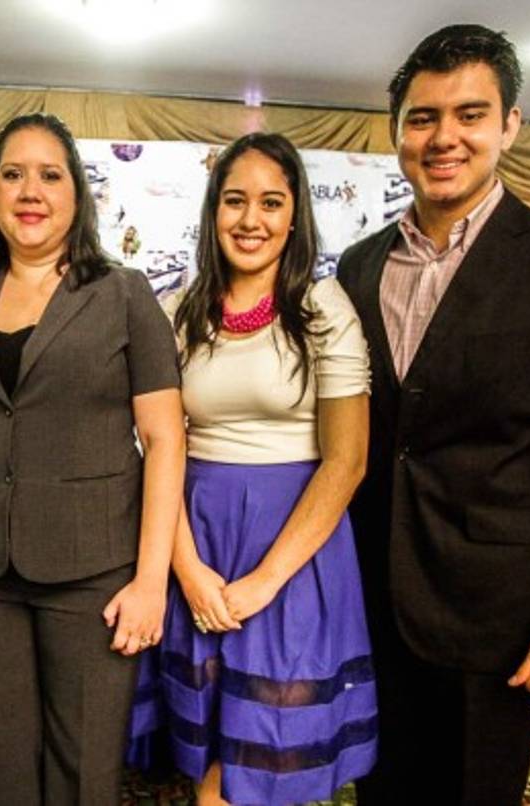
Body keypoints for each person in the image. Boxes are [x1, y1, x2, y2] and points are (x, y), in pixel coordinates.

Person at [335, 25, 530, 805]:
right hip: (370, 595)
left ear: (510, 125)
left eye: (469, 115)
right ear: (398, 131)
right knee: (378, 790)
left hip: (493, 611)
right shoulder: (361, 264)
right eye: (423, 117)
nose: (444, 138)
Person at [0, 113, 185, 805]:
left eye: (50, 174)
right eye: (13, 173)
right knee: (3, 765)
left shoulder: (122, 295)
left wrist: (152, 581)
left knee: (83, 769)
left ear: (76, 196)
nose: (31, 190)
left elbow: (167, 438)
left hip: (93, 573)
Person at [152, 132, 377, 805]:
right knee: (215, 748)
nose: (251, 220)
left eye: (271, 203)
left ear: (295, 214)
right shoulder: (178, 314)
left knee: (263, 758)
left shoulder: (324, 310)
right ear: (212, 211)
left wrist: (262, 583)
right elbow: (158, 451)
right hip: (197, 541)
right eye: (235, 201)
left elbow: (348, 461)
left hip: (295, 558)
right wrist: (189, 571)